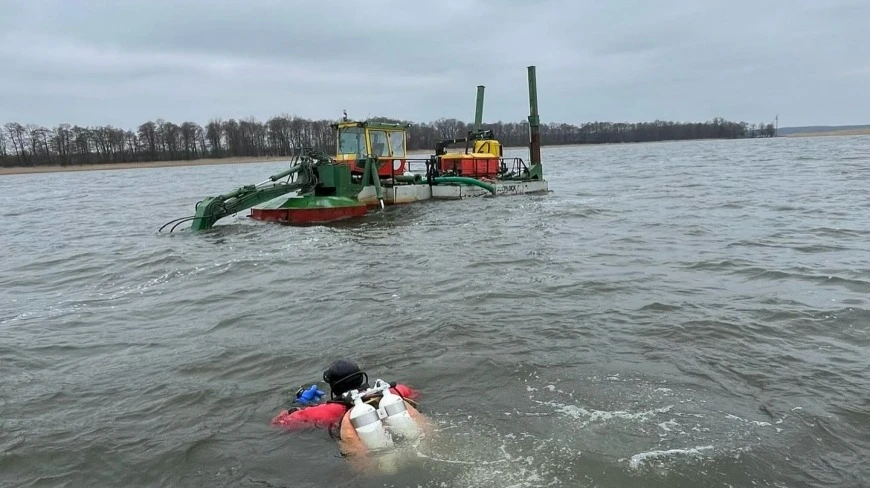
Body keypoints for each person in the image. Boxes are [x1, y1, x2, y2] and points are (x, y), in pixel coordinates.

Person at [271, 359, 422, 442]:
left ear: (333, 386)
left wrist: (298, 404)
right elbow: (415, 394)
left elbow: (279, 424)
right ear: (361, 377)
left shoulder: (326, 411)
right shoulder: (396, 391)